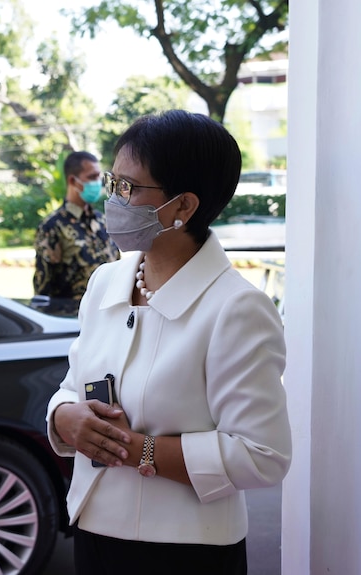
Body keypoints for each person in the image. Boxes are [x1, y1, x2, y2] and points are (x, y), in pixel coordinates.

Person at [46, 110, 291, 574]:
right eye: (113, 182)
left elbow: (263, 454)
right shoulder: (106, 282)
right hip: (94, 533)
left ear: (183, 207)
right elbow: (72, 385)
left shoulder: (237, 309)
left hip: (184, 553)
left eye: (129, 188)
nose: (114, 199)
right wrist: (64, 419)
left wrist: (139, 450)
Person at [33, 150, 119, 316]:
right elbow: (43, 290)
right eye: (92, 177)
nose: (97, 183)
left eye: (98, 177)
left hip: (110, 316)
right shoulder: (52, 226)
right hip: (72, 320)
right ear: (73, 180)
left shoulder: (103, 222)